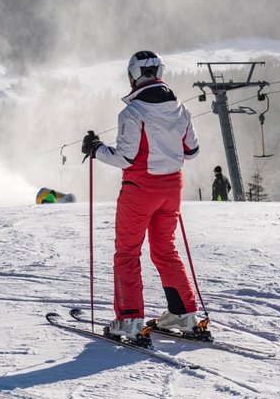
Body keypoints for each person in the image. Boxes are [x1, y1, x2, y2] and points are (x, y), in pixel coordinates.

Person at [81, 50, 203, 342]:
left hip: (139, 190)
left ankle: (130, 319)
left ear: (132, 76)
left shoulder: (132, 113)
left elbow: (125, 158)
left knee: (127, 253)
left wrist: (95, 149)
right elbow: (192, 150)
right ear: (159, 72)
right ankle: (184, 314)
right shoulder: (179, 108)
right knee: (165, 250)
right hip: (171, 188)